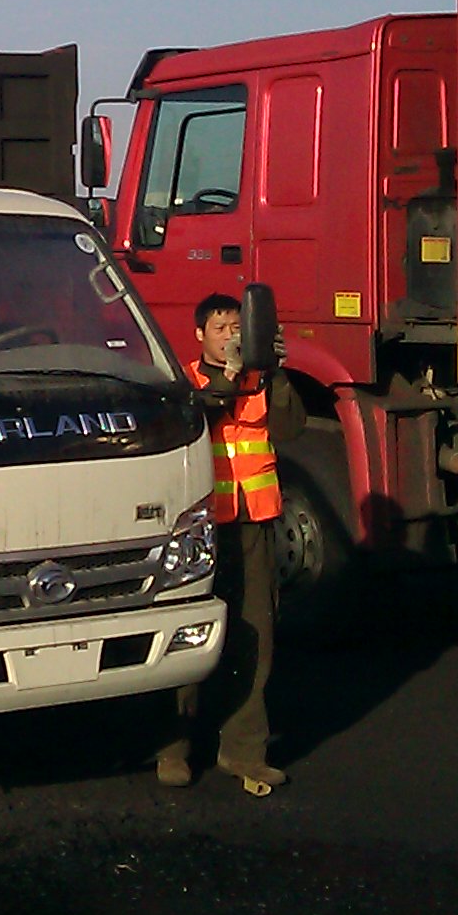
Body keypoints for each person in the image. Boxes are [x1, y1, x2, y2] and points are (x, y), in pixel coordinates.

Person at [157, 292, 303, 796]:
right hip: (199, 529)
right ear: (200, 336)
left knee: (255, 637)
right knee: (186, 637)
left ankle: (245, 752)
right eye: (220, 329)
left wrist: (275, 372)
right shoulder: (185, 381)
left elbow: (292, 427)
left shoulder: (261, 379)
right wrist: (232, 375)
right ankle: (173, 748)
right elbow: (203, 415)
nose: (231, 336)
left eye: (238, 327)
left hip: (252, 522)